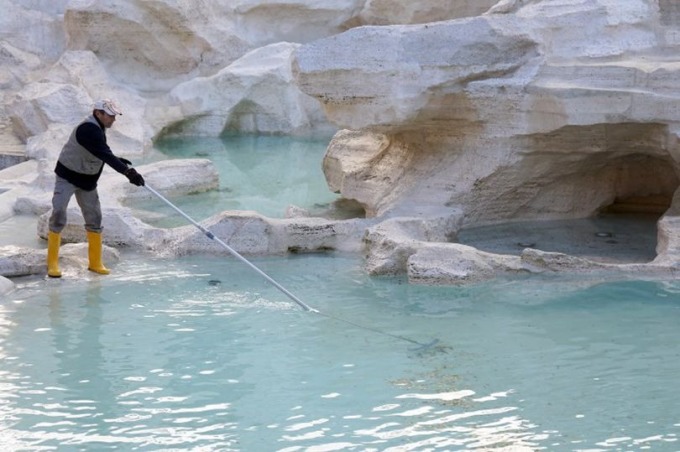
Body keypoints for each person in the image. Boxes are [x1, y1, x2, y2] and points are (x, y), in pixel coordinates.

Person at [46, 99, 145, 278]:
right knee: (59, 212)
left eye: (114, 115)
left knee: (94, 217)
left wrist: (119, 161)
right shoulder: (88, 129)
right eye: (110, 115)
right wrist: (128, 172)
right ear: (98, 113)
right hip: (67, 176)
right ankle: (52, 263)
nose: (113, 119)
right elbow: (103, 152)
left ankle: (95, 262)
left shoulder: (100, 128)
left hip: (87, 180)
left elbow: (101, 151)